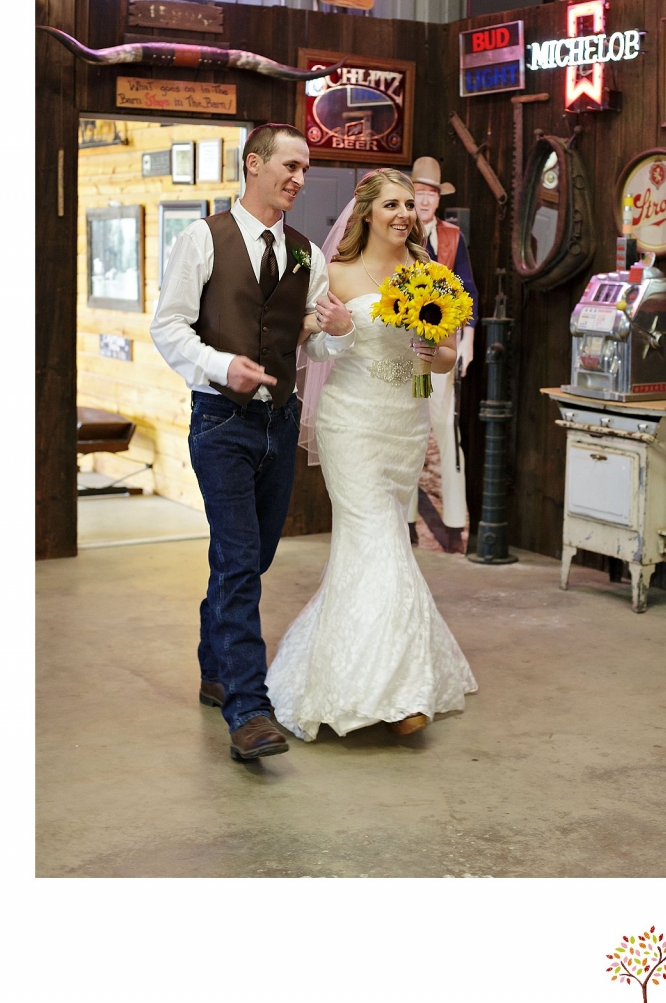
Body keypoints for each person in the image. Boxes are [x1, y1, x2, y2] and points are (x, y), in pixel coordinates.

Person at [150, 123, 355, 763]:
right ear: (254, 164)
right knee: (240, 564)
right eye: (290, 166)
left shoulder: (306, 255)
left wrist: (337, 330)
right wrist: (219, 365)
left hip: (279, 421)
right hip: (220, 420)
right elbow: (168, 326)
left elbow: (312, 339)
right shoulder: (202, 239)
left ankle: (216, 667)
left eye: (305, 170)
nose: (299, 179)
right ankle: (248, 711)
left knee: (254, 557)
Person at [266, 169, 477, 740]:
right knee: (378, 539)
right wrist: (336, 330)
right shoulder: (333, 273)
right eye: (392, 204)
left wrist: (434, 350)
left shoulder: (431, 276)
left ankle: (346, 669)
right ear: (366, 214)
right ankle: (400, 693)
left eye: (410, 204)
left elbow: (447, 357)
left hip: (403, 423)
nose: (405, 213)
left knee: (369, 549)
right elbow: (310, 346)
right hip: (351, 423)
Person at [407, 157, 480, 553]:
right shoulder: (399, 229)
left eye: (431, 193)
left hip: (443, 346)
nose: (424, 200)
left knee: (444, 428)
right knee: (408, 427)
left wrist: (467, 339)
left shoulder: (452, 236)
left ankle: (454, 522)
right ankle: (406, 520)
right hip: (407, 344)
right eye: (418, 192)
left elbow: (467, 288)